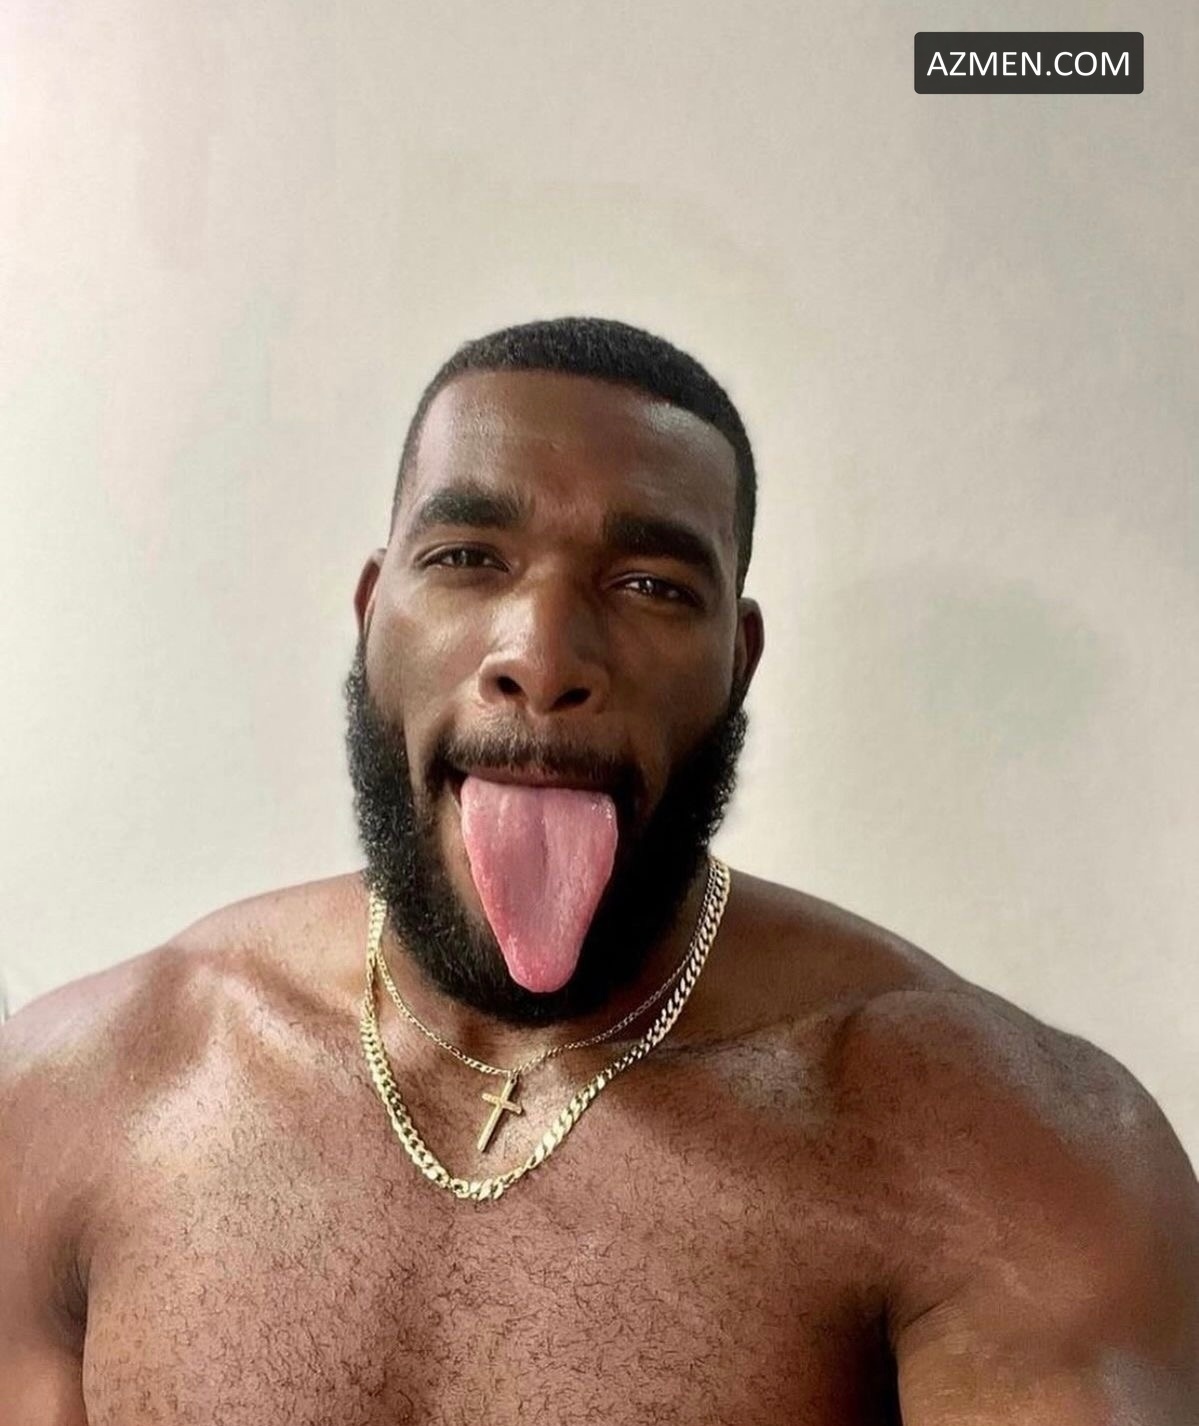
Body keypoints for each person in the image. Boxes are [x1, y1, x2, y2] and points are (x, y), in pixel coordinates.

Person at [2, 316, 1196, 1424]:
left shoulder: (1004, 1157)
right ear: (371, 615)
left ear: (736, 660)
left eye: (649, 587)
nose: (540, 654)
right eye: (468, 557)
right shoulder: (80, 1096)